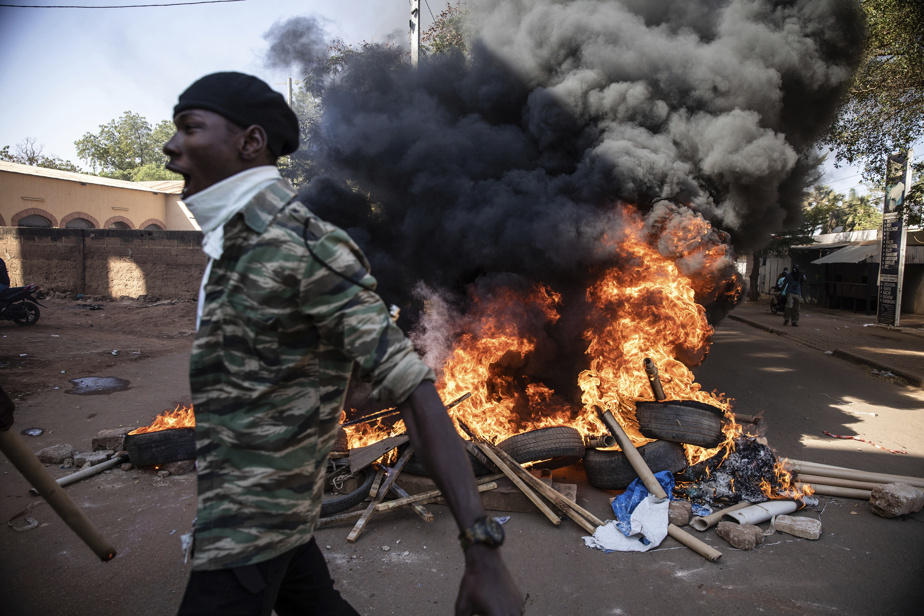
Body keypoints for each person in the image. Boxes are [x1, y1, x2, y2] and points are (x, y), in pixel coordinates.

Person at [163, 72, 523, 616]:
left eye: (190, 127)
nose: (171, 146)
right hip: (253, 511)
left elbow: (414, 390)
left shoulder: (304, 248)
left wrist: (482, 548)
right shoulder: (232, 247)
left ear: (250, 141)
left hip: (251, 526)